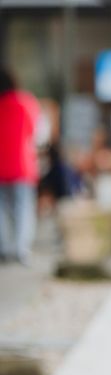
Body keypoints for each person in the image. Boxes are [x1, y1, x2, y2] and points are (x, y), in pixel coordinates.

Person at [0, 67, 41, 264]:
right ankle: (20, 249)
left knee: (2, 208)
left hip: (1, 165)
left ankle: (4, 247)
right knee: (23, 208)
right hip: (21, 165)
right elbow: (35, 131)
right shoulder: (26, 102)